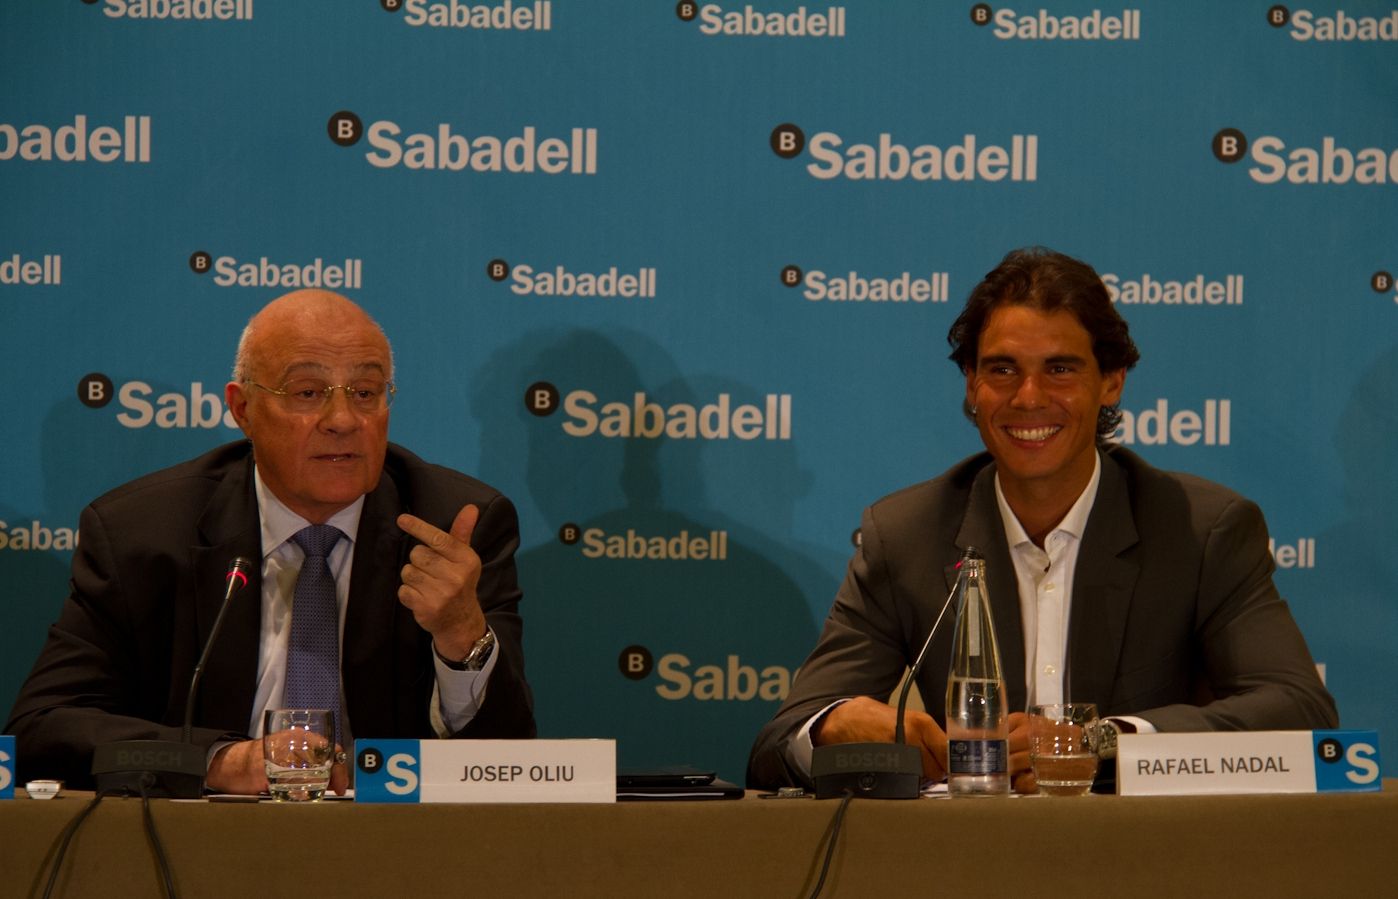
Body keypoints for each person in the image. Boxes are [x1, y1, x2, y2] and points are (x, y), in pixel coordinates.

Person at [747, 247, 1337, 792]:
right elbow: (776, 747)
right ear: (972, 386)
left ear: (1111, 382)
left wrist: (1099, 741)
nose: (1028, 398)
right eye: (1002, 370)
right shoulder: (907, 536)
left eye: (1060, 369)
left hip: (1149, 858)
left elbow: (1300, 711)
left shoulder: (1201, 530)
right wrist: (834, 727)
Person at [6, 289, 535, 793]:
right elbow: (42, 729)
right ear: (242, 410)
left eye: (365, 393)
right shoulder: (142, 534)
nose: (344, 420)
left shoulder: (453, 529)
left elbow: (509, 759)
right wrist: (219, 762)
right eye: (308, 393)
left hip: (392, 850)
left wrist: (462, 634)